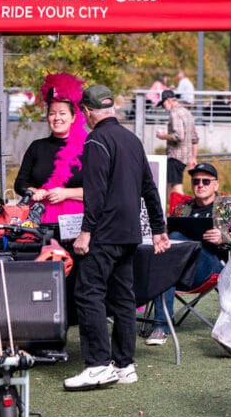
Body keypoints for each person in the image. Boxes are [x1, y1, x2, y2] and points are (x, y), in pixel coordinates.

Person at [64, 84, 170, 390]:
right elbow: (149, 188)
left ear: (86, 111)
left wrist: (86, 231)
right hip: (130, 232)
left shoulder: (95, 140)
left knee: (88, 292)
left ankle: (98, 365)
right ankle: (125, 365)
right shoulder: (132, 139)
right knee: (124, 298)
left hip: (105, 232)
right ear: (111, 108)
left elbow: (95, 191)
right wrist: (159, 229)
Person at [145, 162, 231, 346]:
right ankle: (160, 326)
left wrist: (222, 237)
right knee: (168, 256)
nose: (200, 185)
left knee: (174, 245)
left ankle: (160, 325)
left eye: (206, 181)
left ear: (215, 185)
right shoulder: (182, 208)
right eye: (196, 181)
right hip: (179, 267)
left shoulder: (228, 205)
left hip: (210, 266)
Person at [14, 72, 86, 224]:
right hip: (40, 218)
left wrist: (66, 193)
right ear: (47, 117)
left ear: (73, 117)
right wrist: (35, 192)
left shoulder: (87, 148)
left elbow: (98, 190)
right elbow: (20, 183)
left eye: (62, 113)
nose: (57, 118)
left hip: (77, 222)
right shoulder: (37, 147)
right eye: (52, 113)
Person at [155, 89, 198, 195]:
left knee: (175, 188)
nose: (163, 107)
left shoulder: (174, 113)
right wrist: (193, 157)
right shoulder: (187, 112)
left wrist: (162, 136)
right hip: (185, 157)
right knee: (170, 186)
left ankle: (180, 206)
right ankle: (170, 205)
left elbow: (178, 136)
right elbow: (195, 138)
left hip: (175, 156)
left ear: (168, 100)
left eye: (163, 104)